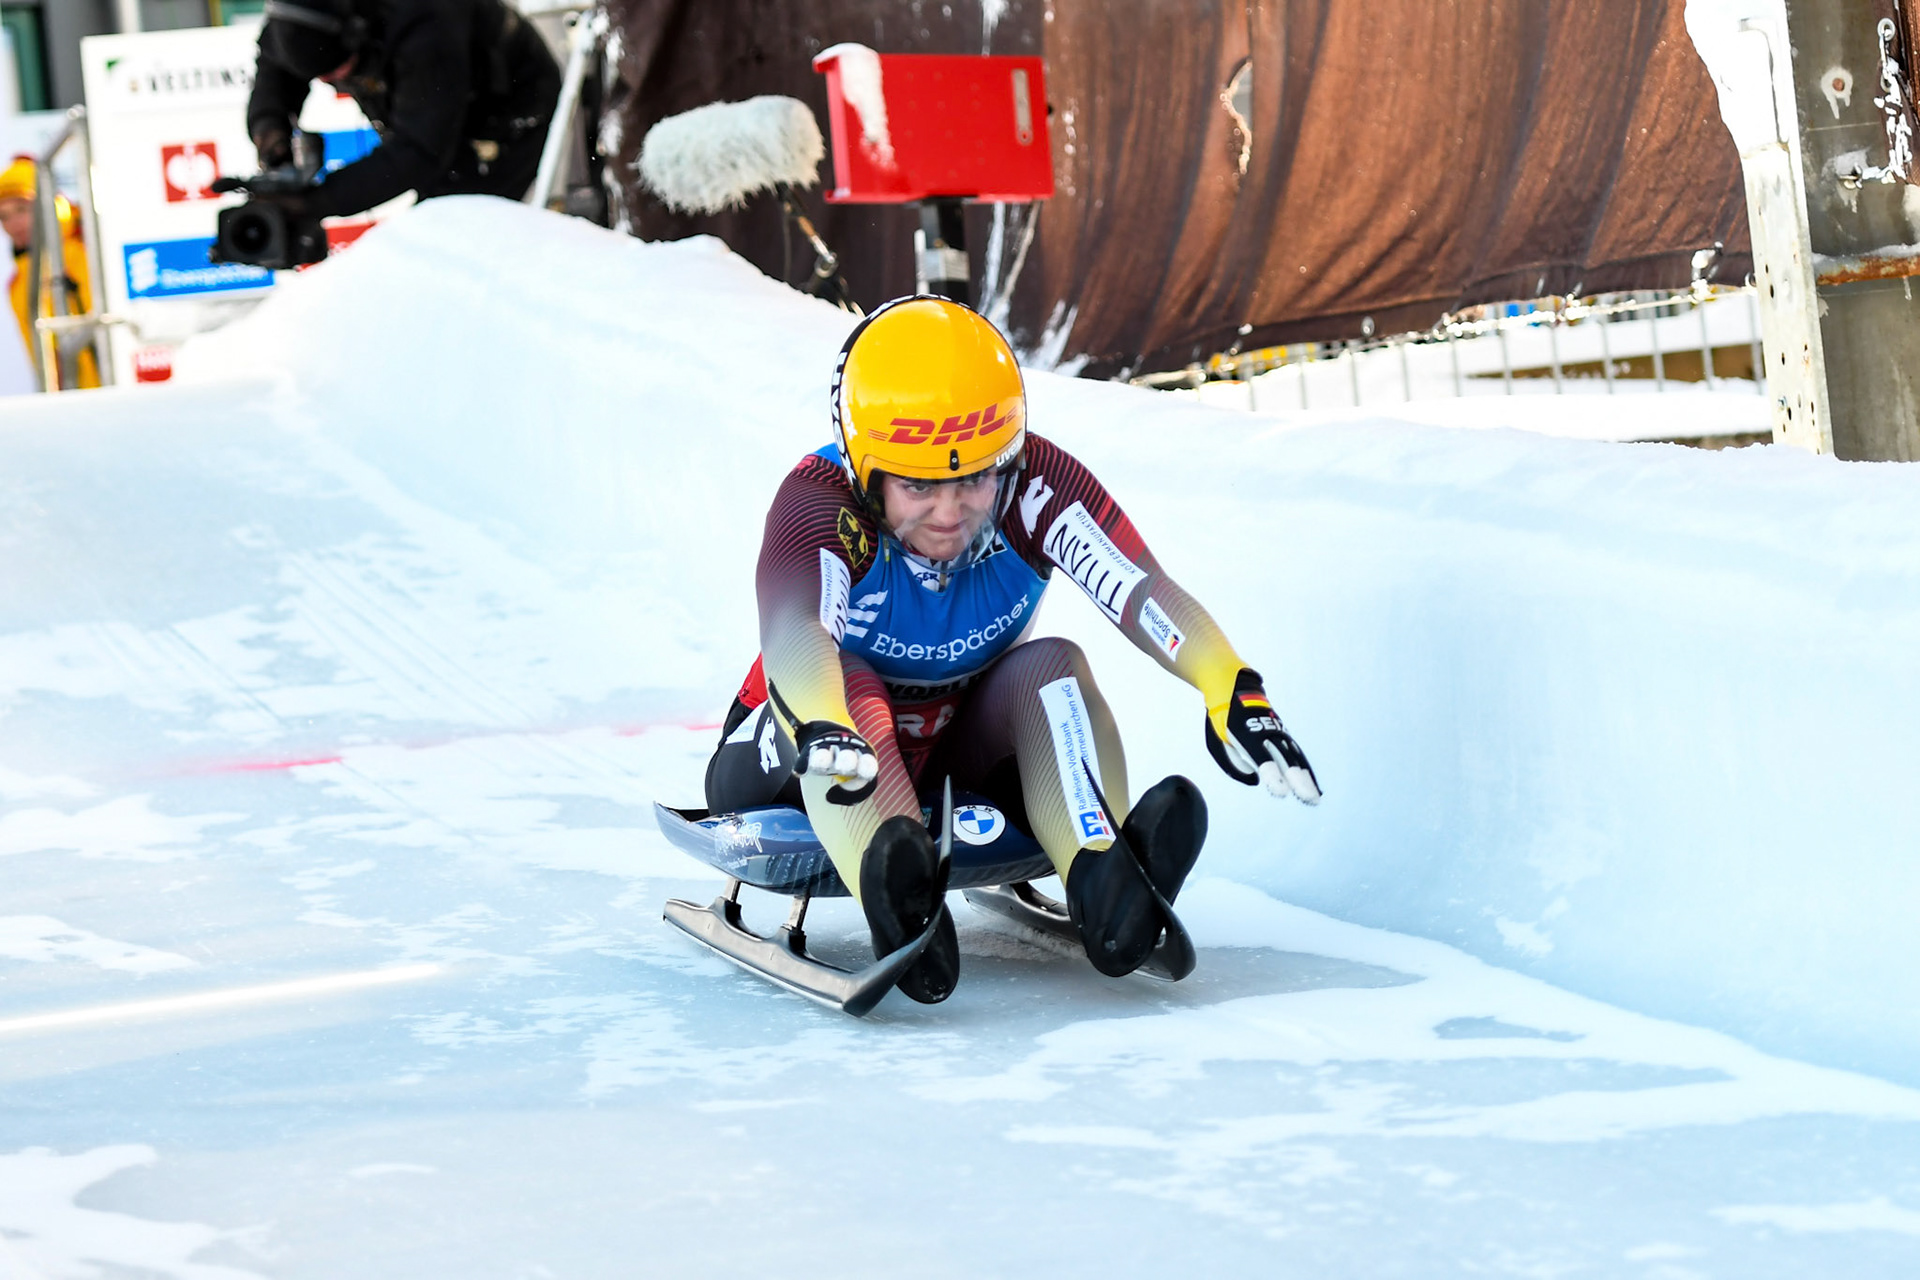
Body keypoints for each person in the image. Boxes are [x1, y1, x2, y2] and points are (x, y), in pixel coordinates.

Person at [705, 297, 1321, 1004]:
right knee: (854, 682)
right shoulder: (819, 505)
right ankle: (899, 887)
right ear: (862, 469)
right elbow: (798, 634)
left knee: (1048, 666)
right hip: (800, 751)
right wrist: (821, 719)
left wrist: (1230, 685)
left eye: (974, 479)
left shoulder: (1034, 483)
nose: (949, 512)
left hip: (950, 756)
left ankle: (1103, 876)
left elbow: (1139, 588)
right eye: (917, 486)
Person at [244, 0, 561, 223]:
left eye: (345, 73)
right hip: (431, 91)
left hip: (509, 103)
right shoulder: (298, 14)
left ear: (354, 30)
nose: (341, 87)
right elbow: (276, 65)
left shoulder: (426, 20)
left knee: (458, 220)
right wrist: (269, 129)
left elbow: (421, 150)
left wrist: (317, 202)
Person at [1, 156, 100, 390]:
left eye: (22, 209)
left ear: (49, 203)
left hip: (118, 393)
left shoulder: (91, 246)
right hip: (75, 408)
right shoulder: (17, 283)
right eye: (3, 217)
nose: (14, 223)